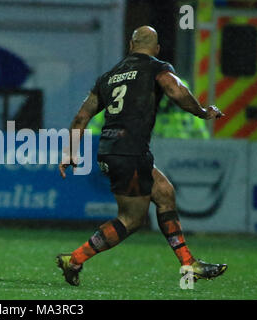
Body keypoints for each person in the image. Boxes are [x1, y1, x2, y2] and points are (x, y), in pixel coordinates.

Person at [57, 26, 227, 286]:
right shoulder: (155, 66)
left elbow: (81, 117)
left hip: (113, 149)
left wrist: (69, 152)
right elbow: (176, 90)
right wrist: (203, 112)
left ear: (130, 45)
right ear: (156, 48)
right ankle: (75, 259)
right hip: (130, 151)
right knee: (131, 219)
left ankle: (188, 263)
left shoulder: (109, 76)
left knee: (164, 193)